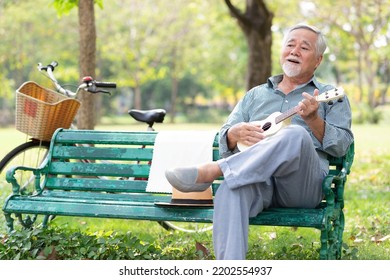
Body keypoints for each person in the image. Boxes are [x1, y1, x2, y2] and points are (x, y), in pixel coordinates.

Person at [165, 23, 354, 260]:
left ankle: (215, 170)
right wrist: (234, 134)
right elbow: (226, 133)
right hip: (256, 180)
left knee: (295, 134)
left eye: (304, 48)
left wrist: (314, 120)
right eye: (290, 45)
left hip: (300, 187)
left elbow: (342, 145)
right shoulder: (255, 95)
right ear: (281, 51)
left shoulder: (328, 96)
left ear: (317, 60)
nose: (294, 51)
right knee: (230, 189)